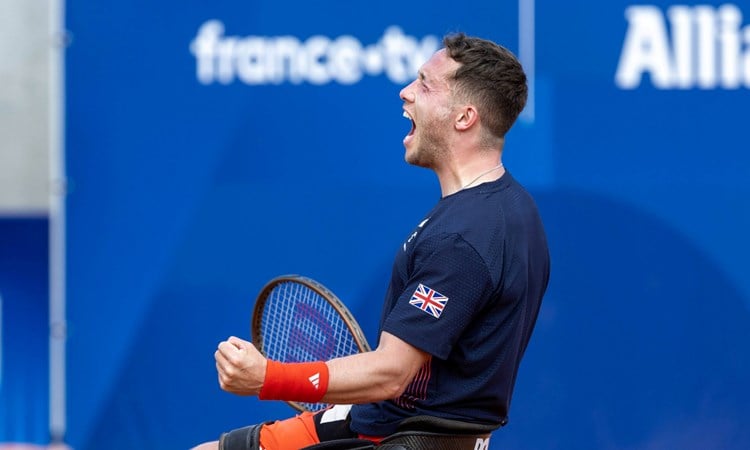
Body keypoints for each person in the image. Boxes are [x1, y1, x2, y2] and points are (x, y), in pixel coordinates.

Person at [192, 32, 550, 450]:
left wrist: (266, 377)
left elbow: (389, 373)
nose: (406, 93)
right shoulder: (511, 207)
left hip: (406, 438)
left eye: (424, 84)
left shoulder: (463, 238)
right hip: (384, 419)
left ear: (464, 117)